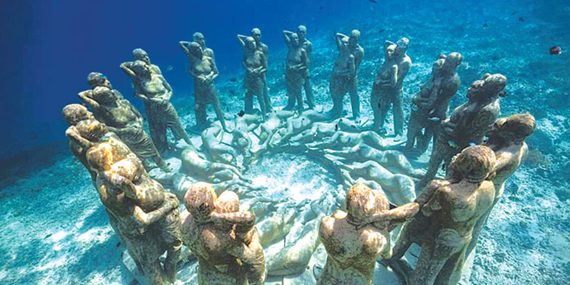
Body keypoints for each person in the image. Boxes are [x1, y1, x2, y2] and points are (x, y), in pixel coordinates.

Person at [400, 146, 496, 285]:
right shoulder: (490, 187)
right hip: (463, 237)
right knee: (446, 274)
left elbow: (427, 210)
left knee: (423, 277)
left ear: (465, 166)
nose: (456, 155)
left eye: (461, 156)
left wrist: (449, 178)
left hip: (440, 240)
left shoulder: (447, 192)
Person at [87, 141, 179, 285]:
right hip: (138, 230)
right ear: (109, 159)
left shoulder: (101, 178)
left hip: (132, 228)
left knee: (148, 258)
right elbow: (142, 219)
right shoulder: (113, 189)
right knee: (150, 263)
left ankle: (166, 273)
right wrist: (167, 206)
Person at [465, 113, 536, 262]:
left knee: (471, 226)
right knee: (477, 224)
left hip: (486, 193)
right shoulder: (520, 143)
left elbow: (482, 169)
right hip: (494, 190)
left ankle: (460, 259)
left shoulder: (508, 154)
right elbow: (491, 128)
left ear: (513, 133)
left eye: (506, 126)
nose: (501, 126)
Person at [317, 184, 419, 285]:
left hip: (330, 280)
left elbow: (341, 218)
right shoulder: (380, 238)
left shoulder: (327, 224)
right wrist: (377, 217)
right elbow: (387, 255)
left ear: (347, 205)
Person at [417, 73, 506, 189]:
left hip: (460, 143)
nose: (481, 87)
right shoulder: (481, 96)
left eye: (486, 86)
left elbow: (468, 131)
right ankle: (427, 181)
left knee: (452, 170)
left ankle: (443, 190)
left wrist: (446, 126)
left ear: (493, 90)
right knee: (435, 162)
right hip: (450, 137)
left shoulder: (488, 109)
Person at [181, 182, 263, 285]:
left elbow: (185, 242)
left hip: (205, 274)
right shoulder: (220, 238)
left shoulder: (182, 221)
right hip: (230, 277)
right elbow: (250, 258)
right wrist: (253, 237)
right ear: (208, 205)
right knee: (256, 254)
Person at [78, 85, 170, 171]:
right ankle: (147, 169)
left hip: (140, 132)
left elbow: (139, 116)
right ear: (103, 99)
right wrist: (124, 131)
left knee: (153, 151)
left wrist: (139, 125)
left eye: (111, 92)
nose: (113, 93)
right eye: (108, 94)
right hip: (126, 138)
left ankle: (163, 166)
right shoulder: (103, 111)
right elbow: (105, 127)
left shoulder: (124, 103)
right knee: (137, 157)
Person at [121, 59, 192, 152]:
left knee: (179, 126)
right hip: (155, 109)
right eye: (143, 67)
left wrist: (166, 98)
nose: (147, 67)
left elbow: (169, 89)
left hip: (167, 106)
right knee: (161, 130)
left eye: (146, 65)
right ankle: (164, 149)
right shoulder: (139, 82)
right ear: (139, 71)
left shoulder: (158, 76)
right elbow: (138, 94)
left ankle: (190, 144)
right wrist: (150, 99)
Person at [406, 53, 462, 153]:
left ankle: (432, 161)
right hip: (427, 110)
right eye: (447, 61)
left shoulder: (453, 81)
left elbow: (437, 101)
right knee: (422, 131)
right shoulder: (442, 72)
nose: (446, 64)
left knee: (435, 137)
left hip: (438, 113)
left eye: (449, 63)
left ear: (456, 65)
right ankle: (419, 150)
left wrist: (417, 100)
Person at [180, 41, 227, 131]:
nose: (199, 49)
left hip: (210, 87)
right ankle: (202, 126)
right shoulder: (192, 60)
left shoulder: (209, 59)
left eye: (199, 47)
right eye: (196, 49)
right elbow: (189, 71)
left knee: (217, 106)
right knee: (200, 107)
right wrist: (198, 77)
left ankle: (224, 126)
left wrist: (210, 77)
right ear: (193, 51)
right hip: (199, 88)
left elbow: (216, 72)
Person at [374, 38, 412, 138]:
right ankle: (379, 126)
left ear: (405, 49)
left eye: (401, 47)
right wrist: (394, 45)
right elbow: (386, 42)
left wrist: (381, 82)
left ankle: (399, 133)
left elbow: (398, 80)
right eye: (397, 46)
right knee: (383, 107)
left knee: (397, 109)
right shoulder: (394, 53)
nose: (397, 49)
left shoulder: (405, 62)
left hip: (396, 89)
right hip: (386, 87)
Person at [371, 41, 399, 135]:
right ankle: (377, 126)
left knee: (380, 111)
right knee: (376, 110)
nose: (388, 53)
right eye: (387, 51)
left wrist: (381, 82)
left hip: (384, 93)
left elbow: (393, 83)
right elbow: (386, 42)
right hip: (377, 91)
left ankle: (377, 129)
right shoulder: (386, 61)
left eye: (391, 51)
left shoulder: (394, 66)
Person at [237, 36, 268, 118]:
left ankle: (264, 116)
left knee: (260, 97)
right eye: (250, 43)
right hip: (248, 78)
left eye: (254, 41)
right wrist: (248, 69)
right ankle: (248, 114)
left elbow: (265, 67)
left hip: (258, 79)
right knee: (248, 96)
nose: (253, 44)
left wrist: (257, 71)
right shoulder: (246, 53)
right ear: (247, 45)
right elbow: (243, 62)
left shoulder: (260, 54)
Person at [328, 35, 357, 119]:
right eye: (343, 43)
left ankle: (339, 114)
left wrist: (340, 72)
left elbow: (352, 71)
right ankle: (336, 110)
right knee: (334, 95)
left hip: (343, 80)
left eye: (346, 43)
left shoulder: (350, 57)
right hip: (335, 78)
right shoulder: (341, 52)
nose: (344, 44)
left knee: (339, 96)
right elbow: (337, 35)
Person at [283, 30, 310, 112]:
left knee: (298, 93)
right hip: (289, 75)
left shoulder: (302, 51)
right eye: (293, 39)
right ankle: (291, 106)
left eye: (297, 39)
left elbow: (306, 65)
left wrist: (296, 67)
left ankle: (301, 109)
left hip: (298, 75)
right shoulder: (290, 48)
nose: (295, 41)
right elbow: (284, 33)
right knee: (291, 91)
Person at [297, 25, 315, 109]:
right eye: (299, 32)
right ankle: (300, 106)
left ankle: (312, 105)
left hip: (304, 69)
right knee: (296, 88)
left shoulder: (308, 44)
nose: (301, 34)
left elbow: (308, 59)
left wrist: (303, 66)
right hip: (295, 70)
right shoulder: (295, 42)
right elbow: (285, 33)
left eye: (303, 32)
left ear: (306, 33)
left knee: (308, 87)